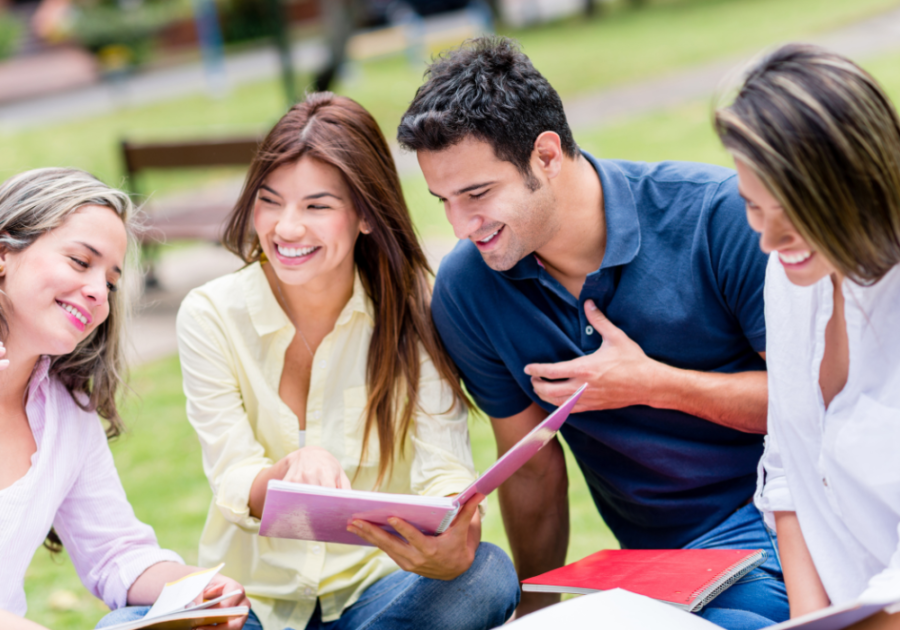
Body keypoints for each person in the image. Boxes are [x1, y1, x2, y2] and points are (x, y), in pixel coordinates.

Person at [397, 36, 786, 629]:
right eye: (443, 200)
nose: (460, 224)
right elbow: (531, 466)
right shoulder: (469, 287)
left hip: (783, 527)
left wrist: (653, 384)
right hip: (657, 574)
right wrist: (533, 611)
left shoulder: (718, 217)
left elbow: (810, 408)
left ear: (546, 156)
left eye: (477, 194)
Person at [176, 92, 519, 630]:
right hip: (253, 606)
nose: (286, 228)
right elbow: (232, 475)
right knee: (125, 623)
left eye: (317, 206)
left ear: (364, 214)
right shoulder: (211, 314)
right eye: (270, 201)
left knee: (487, 574)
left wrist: (451, 530)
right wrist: (289, 472)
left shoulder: (414, 309)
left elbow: (444, 468)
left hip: (377, 596)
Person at [0, 168, 249, 630]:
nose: (97, 291)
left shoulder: (65, 415)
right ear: (3, 253)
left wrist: (198, 590)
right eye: (79, 261)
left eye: (111, 282)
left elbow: (115, 552)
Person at [715, 44, 900, 629]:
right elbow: (788, 468)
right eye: (752, 206)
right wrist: (806, 619)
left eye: (792, 211)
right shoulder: (791, 275)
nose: (768, 239)